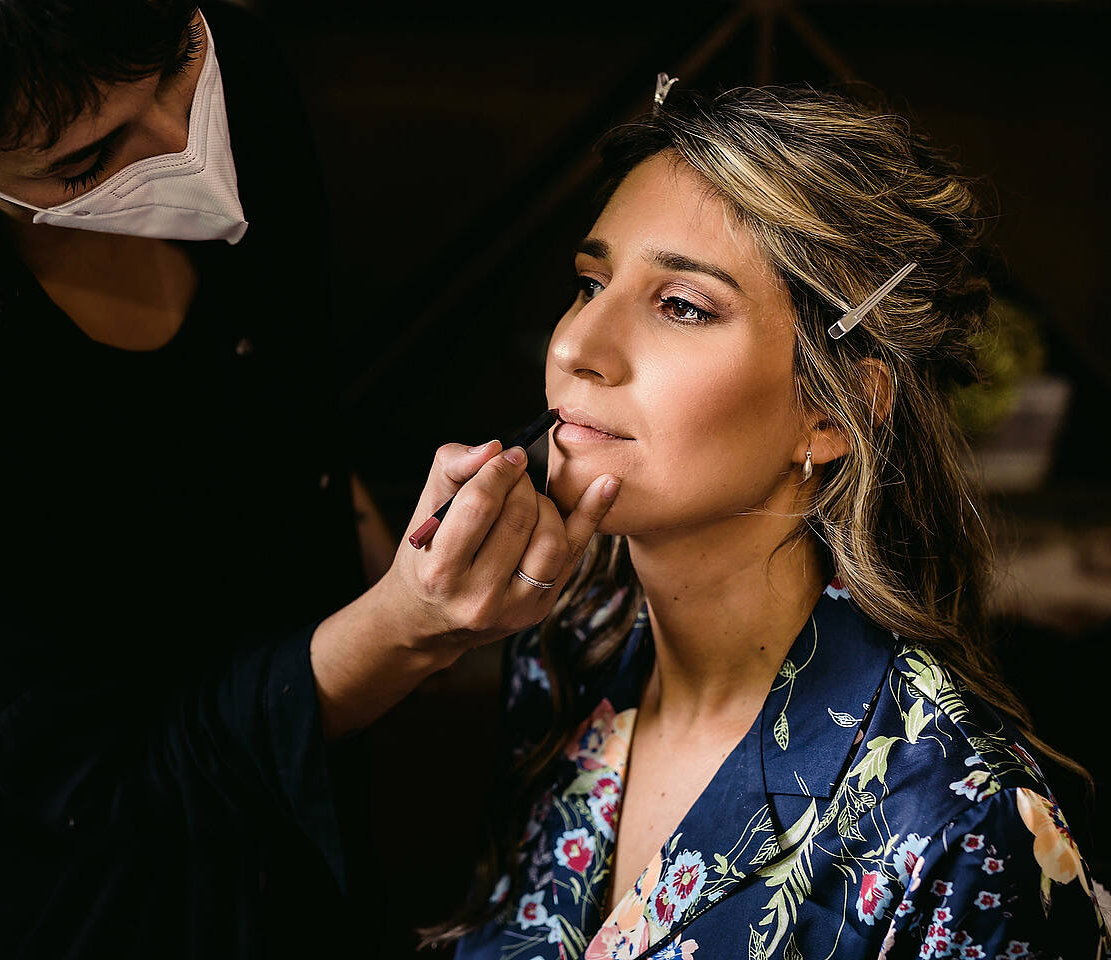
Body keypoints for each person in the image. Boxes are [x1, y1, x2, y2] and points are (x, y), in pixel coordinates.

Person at [0, 2, 621, 957]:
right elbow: (115, 781)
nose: (180, 139)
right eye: (85, 159)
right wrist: (408, 627)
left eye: (178, 61)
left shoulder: (220, 73)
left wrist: (372, 545)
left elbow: (280, 384)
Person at [422, 84, 1110, 958]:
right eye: (590, 283)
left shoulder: (957, 828)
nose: (573, 347)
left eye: (682, 305)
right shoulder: (568, 648)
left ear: (830, 415)